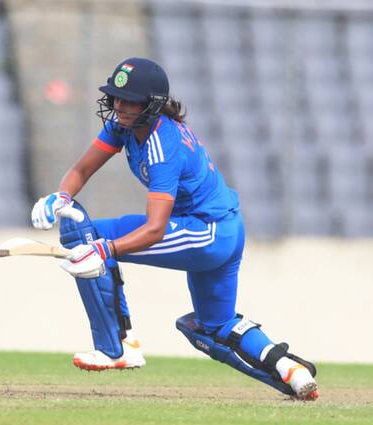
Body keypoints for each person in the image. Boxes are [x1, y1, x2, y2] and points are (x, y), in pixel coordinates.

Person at [30, 57, 319, 400]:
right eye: (116, 98)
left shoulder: (161, 145)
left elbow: (154, 229)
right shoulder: (125, 126)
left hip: (206, 232)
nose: (119, 106)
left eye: (129, 100)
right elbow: (80, 171)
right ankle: (290, 371)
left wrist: (104, 250)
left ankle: (116, 348)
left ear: (151, 105)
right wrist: (61, 196)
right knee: (209, 327)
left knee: (87, 235)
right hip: (224, 228)